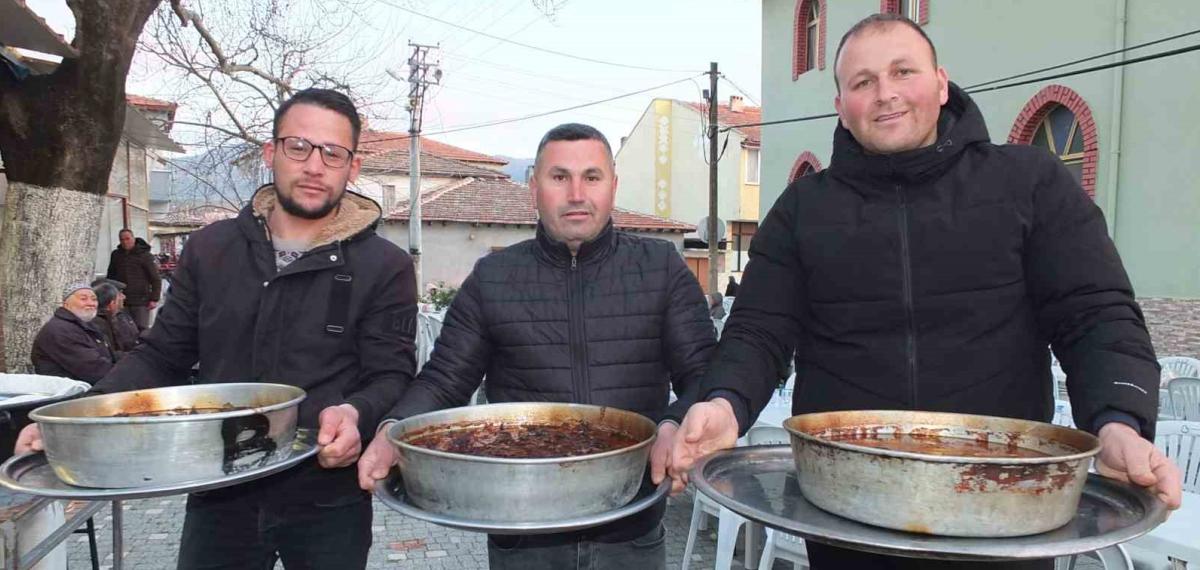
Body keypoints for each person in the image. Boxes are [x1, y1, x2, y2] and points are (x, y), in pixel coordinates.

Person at [668, 14, 1182, 570]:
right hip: (848, 504)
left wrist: (1119, 421)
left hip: (1001, 500)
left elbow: (1095, 314)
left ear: (940, 83)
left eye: (902, 71)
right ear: (841, 105)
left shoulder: (1029, 182)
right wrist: (724, 404)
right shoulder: (802, 210)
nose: (885, 93)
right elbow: (757, 332)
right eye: (862, 82)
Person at [18, 88, 417, 570]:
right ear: (271, 153)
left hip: (327, 489)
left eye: (333, 153)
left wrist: (356, 412)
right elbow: (162, 356)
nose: (315, 166)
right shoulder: (212, 249)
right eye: (299, 147)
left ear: (352, 168)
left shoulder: (385, 265)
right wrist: (76, 418)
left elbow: (391, 373)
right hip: (218, 487)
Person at [357, 123, 716, 570]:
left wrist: (673, 423)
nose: (577, 194)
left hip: (632, 524)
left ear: (613, 186)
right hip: (522, 533)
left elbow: (703, 373)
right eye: (559, 177)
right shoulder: (493, 277)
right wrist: (395, 429)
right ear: (534, 187)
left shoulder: (661, 268)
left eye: (592, 177)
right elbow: (445, 379)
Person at [30, 283, 113, 383]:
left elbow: (109, 356)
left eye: (94, 299)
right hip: (71, 393)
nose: (91, 303)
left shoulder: (86, 325)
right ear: (66, 304)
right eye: (83, 299)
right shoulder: (60, 330)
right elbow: (94, 369)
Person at [105, 229, 161, 330]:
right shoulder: (116, 255)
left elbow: (155, 278)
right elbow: (110, 277)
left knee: (141, 328)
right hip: (122, 300)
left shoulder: (145, 256)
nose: (125, 242)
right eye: (122, 239)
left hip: (141, 301)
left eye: (127, 239)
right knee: (123, 329)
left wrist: (154, 298)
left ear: (133, 238)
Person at [90, 278, 140, 358]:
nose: (124, 297)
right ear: (111, 302)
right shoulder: (98, 324)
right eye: (120, 294)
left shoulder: (122, 316)